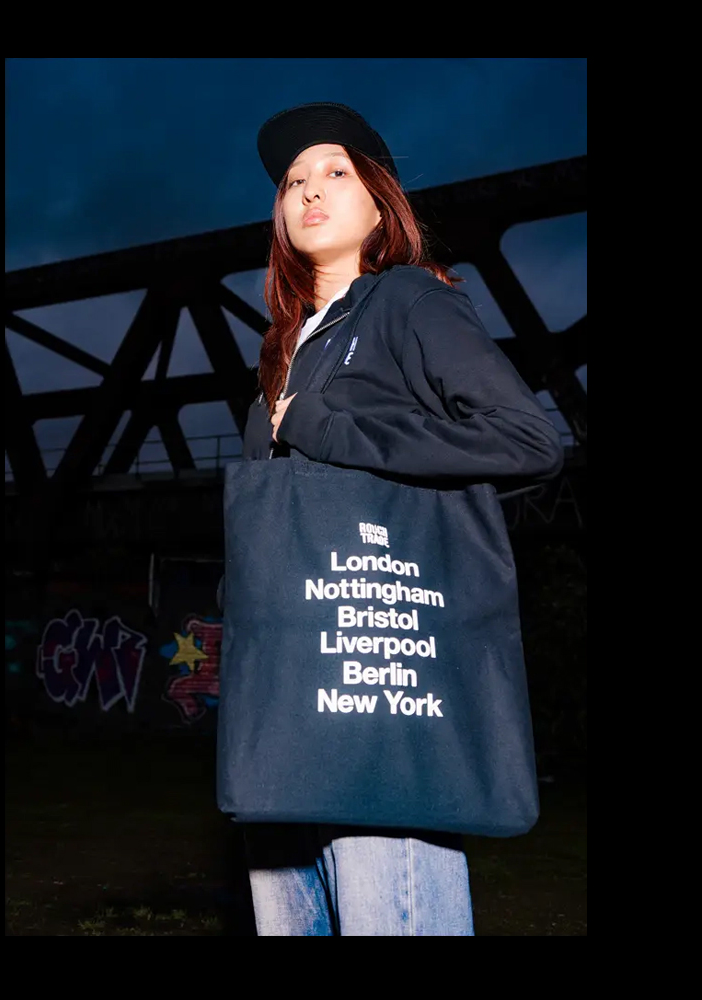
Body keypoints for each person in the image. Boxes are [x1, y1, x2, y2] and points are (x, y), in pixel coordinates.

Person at [237, 102, 563, 936]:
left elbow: (527, 440)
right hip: (289, 687)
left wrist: (331, 428)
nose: (309, 189)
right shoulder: (283, 349)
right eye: (292, 181)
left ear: (380, 202)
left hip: (378, 672)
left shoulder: (410, 300)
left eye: (335, 172)